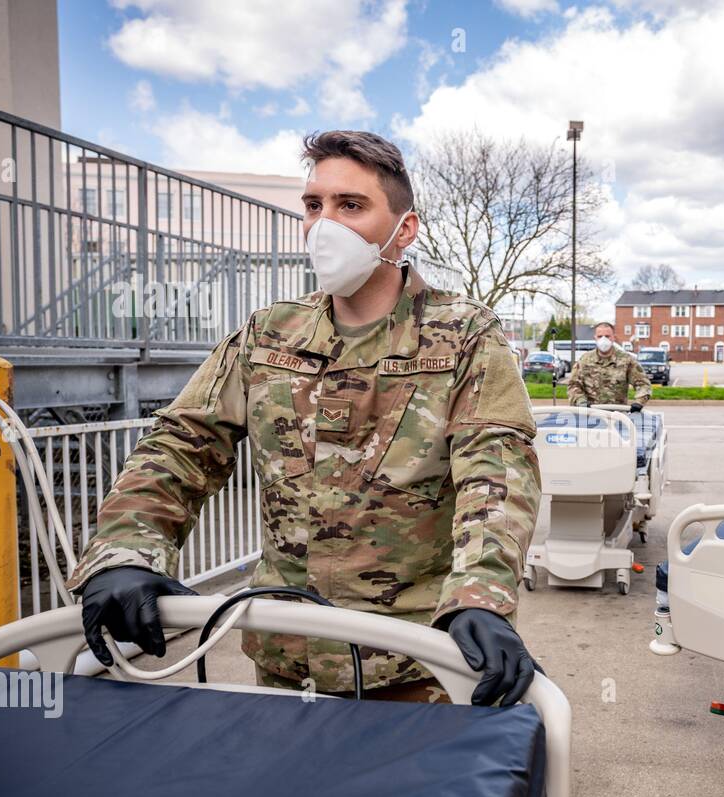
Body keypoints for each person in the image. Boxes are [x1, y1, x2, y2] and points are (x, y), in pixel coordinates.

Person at [64, 130, 542, 707]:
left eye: (351, 206)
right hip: (288, 658)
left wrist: (480, 595)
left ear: (404, 229)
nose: (325, 225)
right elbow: (181, 443)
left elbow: (496, 468)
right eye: (314, 206)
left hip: (418, 663)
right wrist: (126, 551)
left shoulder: (463, 336)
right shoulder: (268, 334)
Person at [566, 321, 653, 410]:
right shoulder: (585, 360)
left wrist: (639, 402)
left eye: (607, 336)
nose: (603, 339)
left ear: (614, 337)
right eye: (600, 336)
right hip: (590, 413)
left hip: (617, 414)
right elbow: (573, 385)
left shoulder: (626, 360)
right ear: (595, 338)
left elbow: (643, 384)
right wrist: (580, 401)